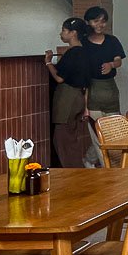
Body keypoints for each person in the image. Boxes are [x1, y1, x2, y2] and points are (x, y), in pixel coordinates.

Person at [81, 6, 125, 166]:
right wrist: (85, 106)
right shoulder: (83, 44)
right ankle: (107, 169)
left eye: (103, 21)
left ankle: (89, 161)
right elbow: (83, 77)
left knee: (114, 134)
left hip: (111, 91)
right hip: (92, 92)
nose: (100, 24)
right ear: (88, 23)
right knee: (98, 136)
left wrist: (111, 65)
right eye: (95, 21)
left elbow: (119, 60)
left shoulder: (112, 41)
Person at [45, 17, 91, 168]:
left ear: (73, 33)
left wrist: (48, 62)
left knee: (62, 140)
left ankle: (73, 174)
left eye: (64, 30)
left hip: (67, 99)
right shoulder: (85, 52)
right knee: (71, 138)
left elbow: (59, 78)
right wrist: (85, 107)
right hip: (78, 97)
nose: (61, 34)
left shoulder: (72, 53)